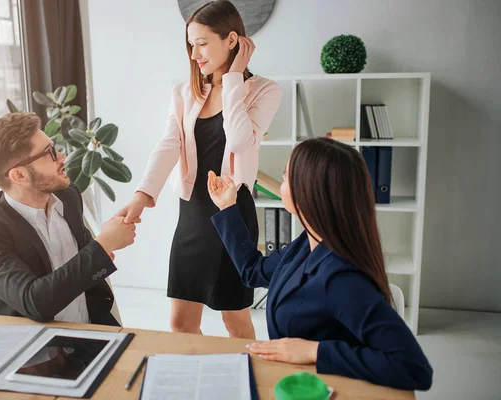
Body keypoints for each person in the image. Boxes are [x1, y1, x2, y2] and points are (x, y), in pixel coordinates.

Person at [207, 137, 433, 390]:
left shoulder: (342, 278)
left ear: (308, 192)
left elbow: (413, 367)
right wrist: (228, 207)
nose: (280, 185)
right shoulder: (307, 243)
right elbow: (253, 271)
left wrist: (314, 351)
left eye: (284, 178)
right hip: (294, 384)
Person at [116, 0, 281, 339]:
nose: (194, 54)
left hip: (232, 212)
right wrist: (142, 194)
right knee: (180, 323)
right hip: (192, 212)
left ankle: (244, 382)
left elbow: (239, 141)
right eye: (190, 45)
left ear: (232, 40)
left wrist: (233, 78)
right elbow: (168, 144)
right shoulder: (185, 91)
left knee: (235, 321)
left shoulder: (265, 90)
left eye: (202, 43)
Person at [0, 112, 137, 326]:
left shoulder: (67, 195)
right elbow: (34, 301)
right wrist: (104, 245)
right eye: (50, 153)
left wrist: (108, 239)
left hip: (92, 335)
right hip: (39, 352)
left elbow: (82, 256)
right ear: (19, 176)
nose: (63, 157)